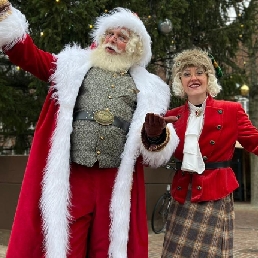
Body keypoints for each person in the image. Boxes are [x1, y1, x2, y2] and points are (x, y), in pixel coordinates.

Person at [0, 2, 179, 258]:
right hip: (74, 177)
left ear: (134, 46)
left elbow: (154, 153)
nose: (112, 40)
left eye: (121, 37)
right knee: (68, 247)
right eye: (109, 34)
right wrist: (5, 17)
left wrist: (155, 135)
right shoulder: (71, 67)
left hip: (114, 180)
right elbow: (30, 56)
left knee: (106, 249)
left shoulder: (151, 88)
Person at [142, 48, 258, 258]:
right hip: (182, 194)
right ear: (180, 81)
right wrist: (153, 136)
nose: (193, 78)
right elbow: (155, 156)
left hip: (215, 193)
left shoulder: (231, 110)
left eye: (199, 72)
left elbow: (254, 141)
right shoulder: (171, 116)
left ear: (208, 77)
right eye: (186, 74)